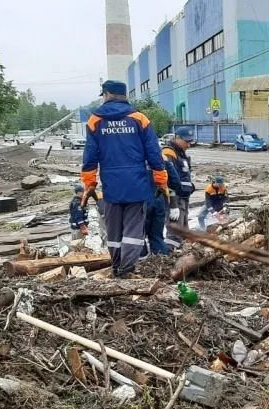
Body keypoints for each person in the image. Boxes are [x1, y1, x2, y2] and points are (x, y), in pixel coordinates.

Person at [80, 80, 168, 278]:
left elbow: (90, 155)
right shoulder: (140, 119)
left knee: (114, 230)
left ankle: (117, 266)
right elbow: (154, 153)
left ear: (106, 94)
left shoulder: (95, 120)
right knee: (133, 230)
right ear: (124, 95)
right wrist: (161, 180)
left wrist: (89, 183)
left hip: (111, 185)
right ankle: (126, 270)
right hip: (137, 183)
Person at [162, 127, 195, 251]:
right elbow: (168, 180)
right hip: (175, 199)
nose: (189, 145)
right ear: (177, 138)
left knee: (184, 230)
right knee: (174, 233)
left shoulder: (181, 153)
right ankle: (170, 258)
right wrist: (173, 205)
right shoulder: (168, 153)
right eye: (186, 141)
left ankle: (184, 258)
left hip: (184, 197)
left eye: (190, 141)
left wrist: (190, 187)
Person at [144, 151, 181, 255]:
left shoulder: (134, 155)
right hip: (159, 201)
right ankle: (161, 263)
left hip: (141, 202)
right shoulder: (161, 157)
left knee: (138, 238)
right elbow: (175, 182)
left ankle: (140, 267)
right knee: (156, 237)